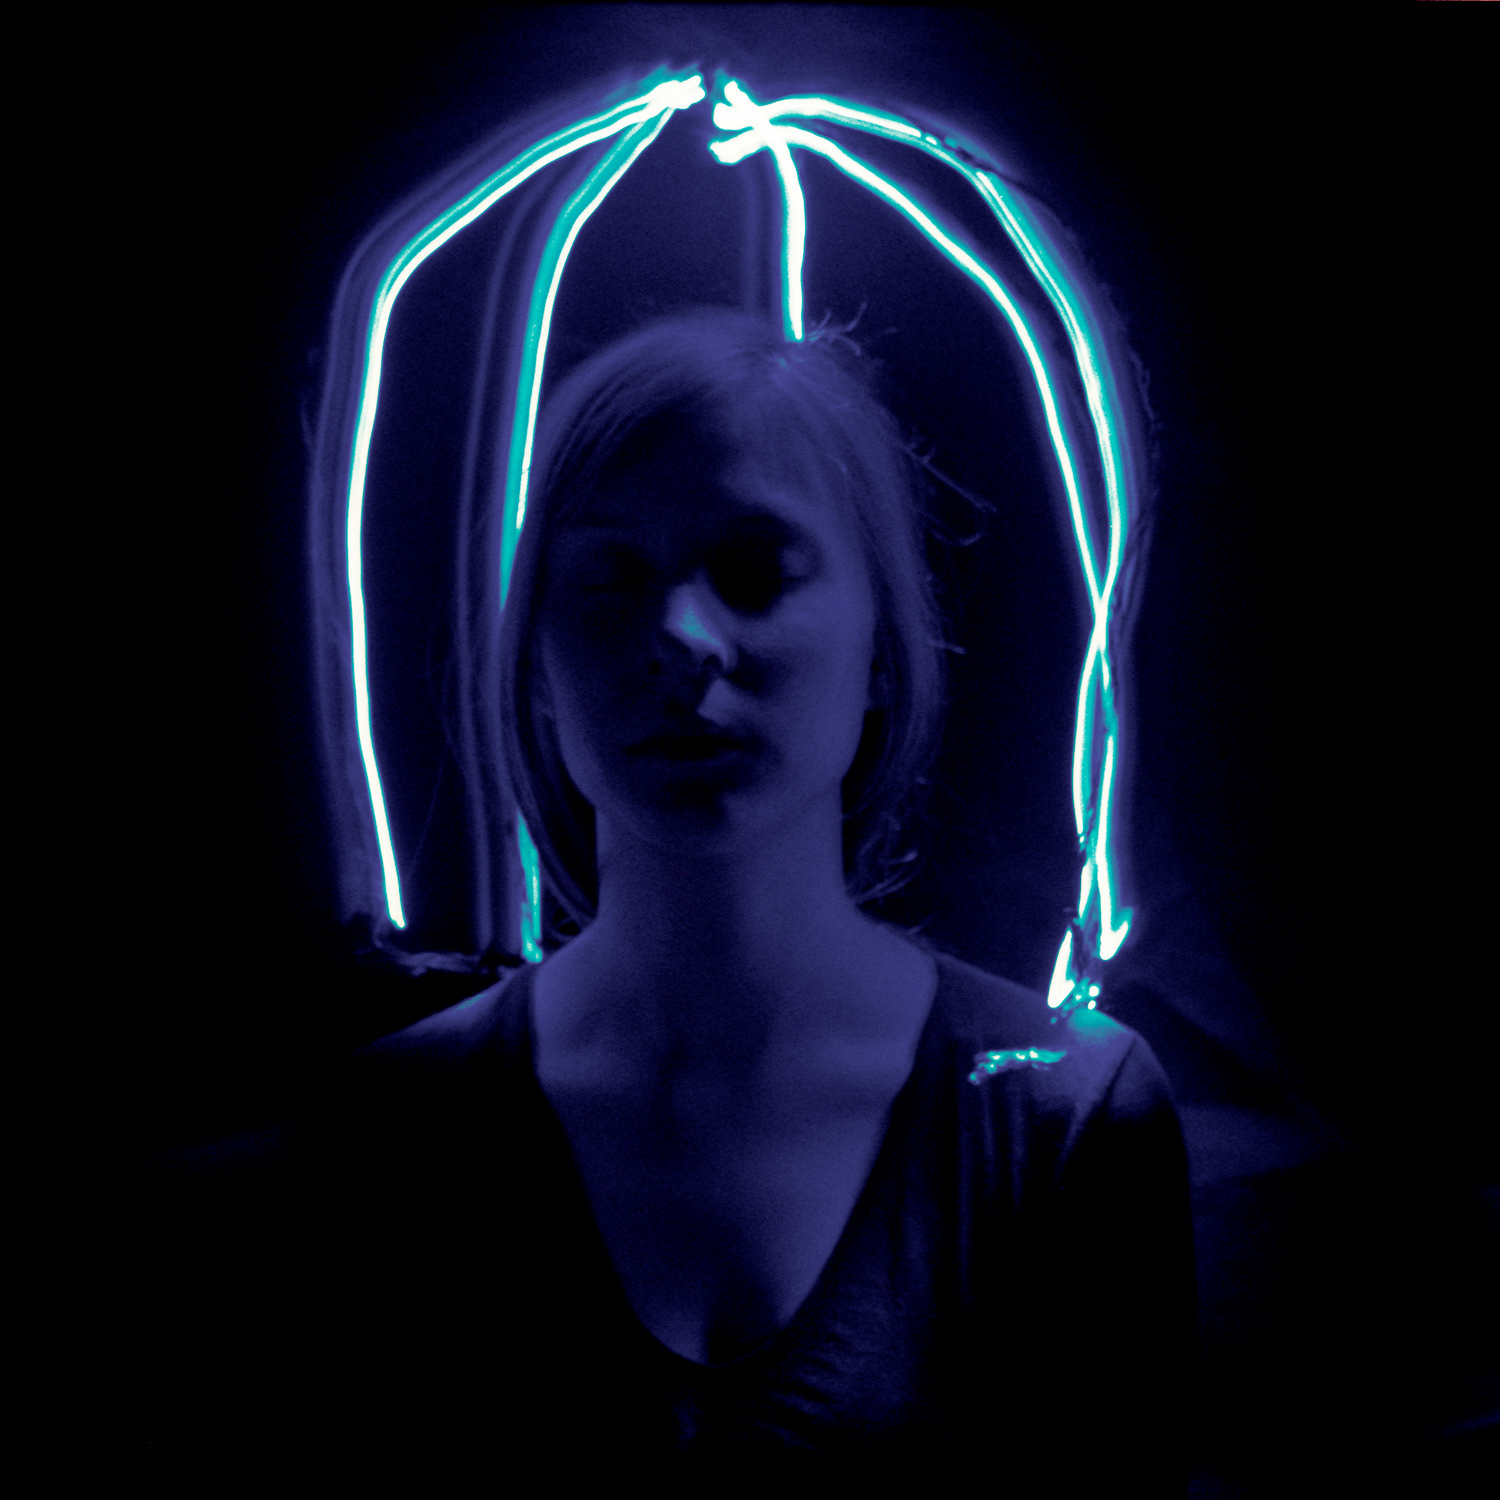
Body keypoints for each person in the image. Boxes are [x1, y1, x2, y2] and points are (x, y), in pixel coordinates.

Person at [299, 310, 1193, 1482]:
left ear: (884, 649)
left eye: (757, 570)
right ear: (538, 664)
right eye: (611, 577)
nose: (682, 638)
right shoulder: (393, 1130)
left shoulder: (1064, 1124)